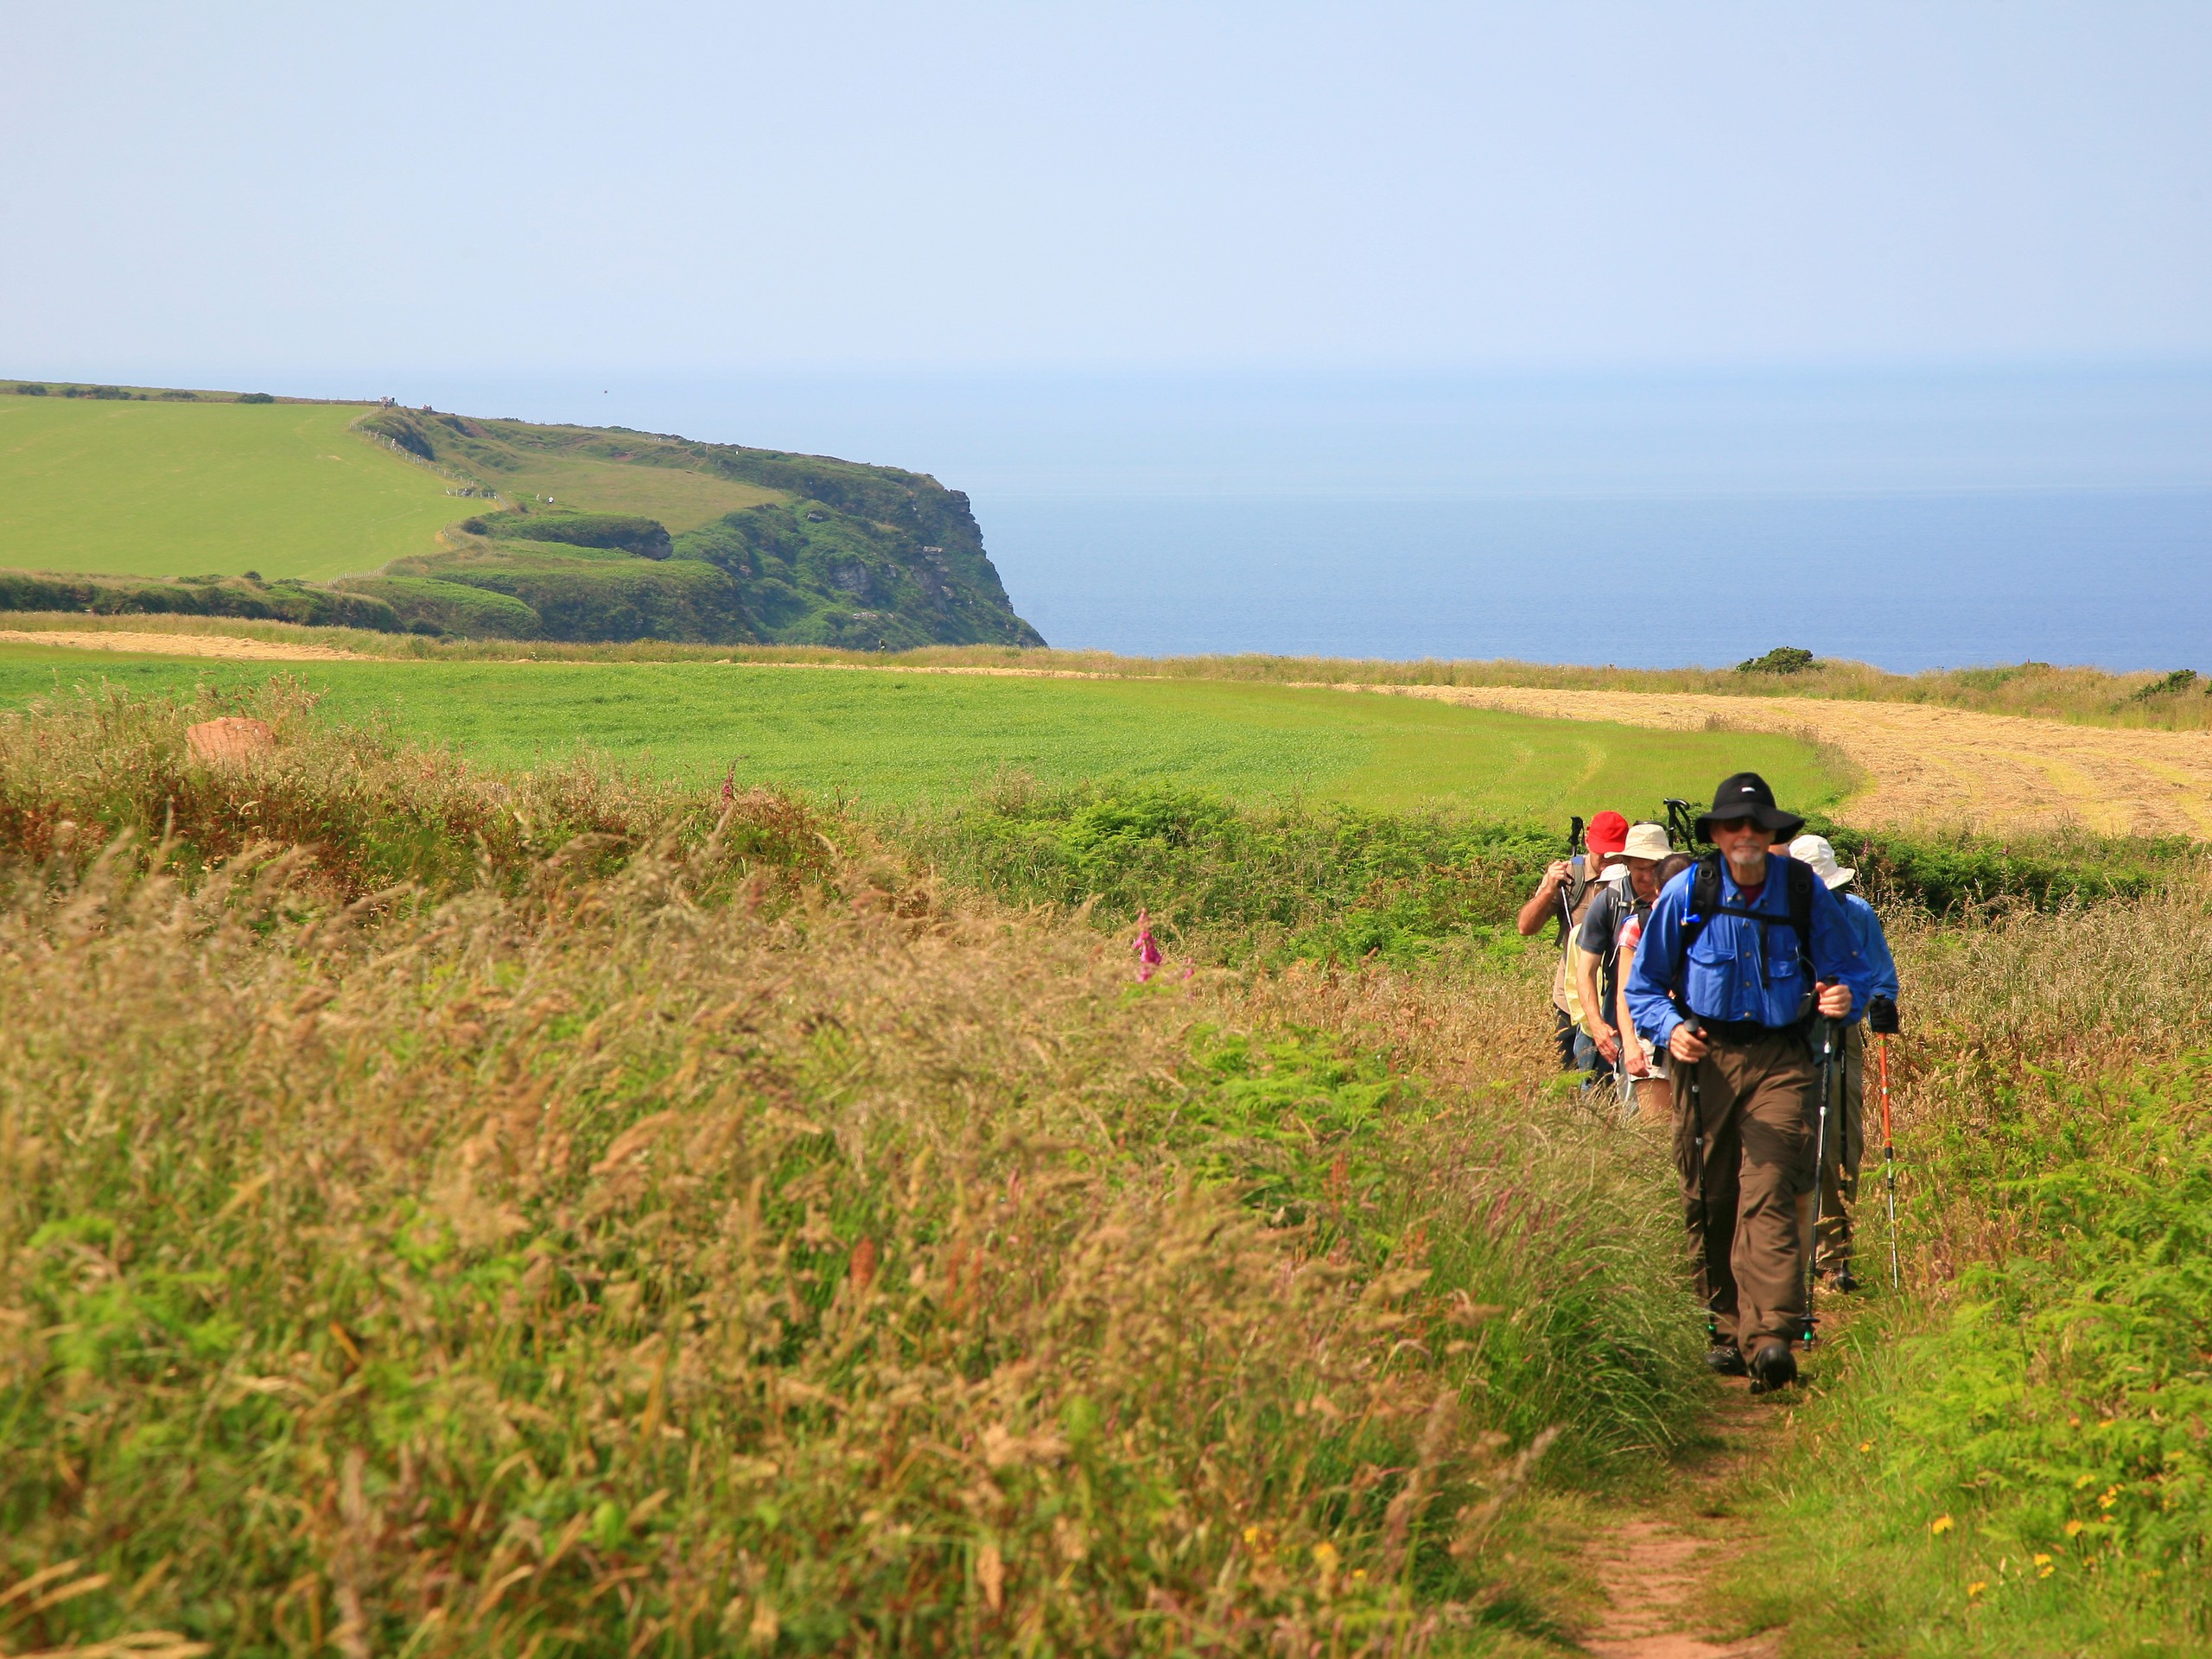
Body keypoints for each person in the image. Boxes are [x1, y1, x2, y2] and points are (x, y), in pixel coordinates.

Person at [1625, 772, 1872, 1393]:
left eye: (1757, 827)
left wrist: (1846, 997)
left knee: (1767, 1185)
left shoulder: (1802, 893)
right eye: (1733, 826)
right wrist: (1669, 1029)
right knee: (1710, 1195)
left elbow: (1850, 969)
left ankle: (1771, 1337)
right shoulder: (1688, 892)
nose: (1745, 836)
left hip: (1783, 1057)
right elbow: (1645, 986)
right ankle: (1725, 1326)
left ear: (1772, 835)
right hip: (1703, 1057)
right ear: (1716, 833)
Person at [1788, 833, 1901, 1292]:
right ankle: (1790, 1254)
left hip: (1841, 1033)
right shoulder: (1773, 921)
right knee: (1787, 1139)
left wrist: (1882, 1002)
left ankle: (1834, 1257)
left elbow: (1880, 975)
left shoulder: (1857, 913)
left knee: (1841, 1140)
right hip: (1785, 1037)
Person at [1516, 810, 1630, 1071]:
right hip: (1573, 1004)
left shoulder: (1636, 878)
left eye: (1616, 854)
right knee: (1574, 1076)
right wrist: (1549, 889)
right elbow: (1525, 927)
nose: (1608, 861)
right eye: (1603, 854)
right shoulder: (1570, 877)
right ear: (1589, 841)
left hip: (1619, 1000)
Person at [1575, 822, 1672, 1105]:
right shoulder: (1610, 901)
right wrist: (1597, 1024)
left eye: (1655, 867)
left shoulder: (1680, 899)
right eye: (1641, 868)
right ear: (1627, 863)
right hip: (1621, 1021)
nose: (1648, 876)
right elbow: (1586, 971)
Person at [1614, 849, 1696, 1122]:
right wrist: (1630, 1045)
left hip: (1693, 1036)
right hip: (1654, 1037)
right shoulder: (1640, 924)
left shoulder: (1710, 921)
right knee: (1660, 1128)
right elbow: (1628, 991)